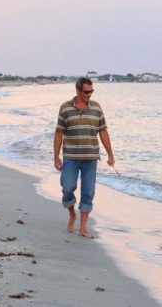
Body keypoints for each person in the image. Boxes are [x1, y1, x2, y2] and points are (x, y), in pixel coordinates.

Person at [53, 77, 115, 239]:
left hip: (91, 158)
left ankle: (82, 227)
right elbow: (59, 132)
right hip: (71, 157)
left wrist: (110, 154)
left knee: (88, 192)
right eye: (86, 92)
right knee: (67, 187)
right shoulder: (65, 108)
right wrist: (56, 157)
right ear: (78, 91)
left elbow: (103, 131)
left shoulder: (96, 108)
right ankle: (72, 214)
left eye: (91, 91)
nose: (89, 95)